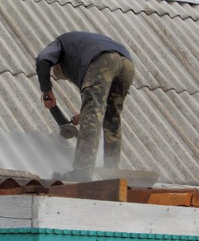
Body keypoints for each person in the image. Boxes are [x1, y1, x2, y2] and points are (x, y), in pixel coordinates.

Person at [35, 31, 135, 182]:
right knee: (112, 118)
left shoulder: (61, 43)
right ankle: (112, 171)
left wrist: (47, 89)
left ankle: (82, 170)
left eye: (67, 76)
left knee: (92, 114)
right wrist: (84, 114)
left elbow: (42, 60)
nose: (70, 79)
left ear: (62, 66)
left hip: (103, 59)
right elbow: (99, 101)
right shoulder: (81, 49)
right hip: (126, 63)